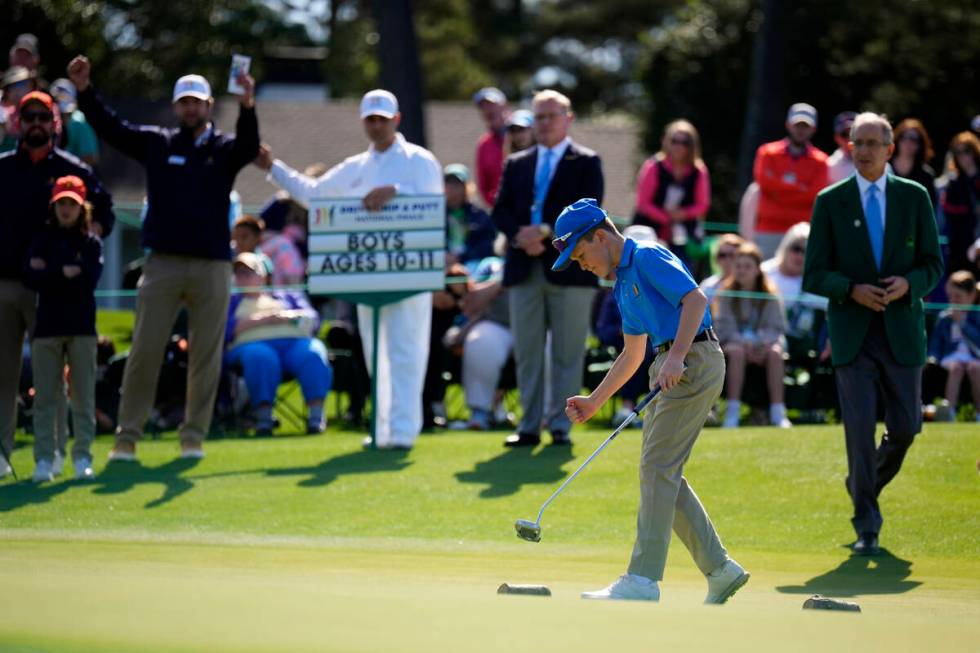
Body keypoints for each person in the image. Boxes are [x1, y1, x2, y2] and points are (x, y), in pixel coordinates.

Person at [555, 198, 748, 603]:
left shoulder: (646, 255)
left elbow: (695, 300)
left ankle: (643, 580)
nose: (581, 263)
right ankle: (721, 570)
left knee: (657, 466)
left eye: (580, 253)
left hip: (692, 358)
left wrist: (676, 355)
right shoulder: (622, 285)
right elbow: (631, 354)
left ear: (601, 237)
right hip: (669, 364)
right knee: (663, 471)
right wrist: (594, 400)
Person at [68, 54, 260, 461]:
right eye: (184, 101)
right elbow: (112, 129)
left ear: (209, 106)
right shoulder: (158, 144)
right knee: (144, 351)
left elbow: (248, 146)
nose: (191, 107)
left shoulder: (224, 149)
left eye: (198, 101)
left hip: (212, 264)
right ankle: (127, 438)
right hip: (163, 264)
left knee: (205, 356)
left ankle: (192, 438)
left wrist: (246, 104)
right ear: (177, 107)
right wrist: (85, 92)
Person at [255, 89, 443, 450]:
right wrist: (273, 169)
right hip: (368, 274)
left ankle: (403, 432)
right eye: (370, 119)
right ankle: (382, 428)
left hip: (409, 273)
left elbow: (433, 205)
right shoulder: (356, 166)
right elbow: (313, 194)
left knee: (406, 350)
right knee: (375, 354)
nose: (376, 126)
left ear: (396, 120)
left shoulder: (420, 161)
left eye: (382, 119)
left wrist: (397, 191)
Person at [803, 112, 944, 555]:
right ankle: (867, 521)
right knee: (860, 430)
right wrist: (851, 290)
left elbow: (933, 265)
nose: (862, 150)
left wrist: (909, 284)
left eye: (871, 142)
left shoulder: (915, 196)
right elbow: (814, 274)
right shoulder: (831, 200)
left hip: (902, 329)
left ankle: (861, 483)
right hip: (853, 333)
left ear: (889, 148)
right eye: (856, 142)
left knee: (906, 428)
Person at [0, 91, 114, 480]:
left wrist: (80, 252)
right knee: (4, 374)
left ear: (55, 123)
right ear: (18, 122)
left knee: (54, 385)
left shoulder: (72, 169)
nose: (35, 124)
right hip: (5, 284)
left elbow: (106, 212)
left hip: (53, 298)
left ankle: (59, 455)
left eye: (43, 117)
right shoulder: (3, 168)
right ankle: (3, 452)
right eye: (28, 117)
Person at [491, 89, 604, 447]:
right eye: (538, 117)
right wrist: (520, 235)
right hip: (524, 268)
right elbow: (501, 210)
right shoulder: (517, 163)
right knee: (527, 351)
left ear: (568, 119)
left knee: (568, 351)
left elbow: (589, 211)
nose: (543, 123)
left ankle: (561, 424)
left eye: (550, 116)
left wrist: (544, 231)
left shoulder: (586, 161)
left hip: (570, 269)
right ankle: (528, 425)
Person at [24, 176, 102, 482]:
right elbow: (31, 276)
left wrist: (52, 272)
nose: (66, 209)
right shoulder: (42, 239)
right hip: (47, 328)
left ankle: (82, 456)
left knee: (83, 396)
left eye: (72, 204)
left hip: (82, 328)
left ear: (82, 207)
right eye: (62, 204)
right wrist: (64, 272)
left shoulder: (91, 243)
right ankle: (46, 457)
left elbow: (88, 279)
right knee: (46, 397)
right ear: (54, 207)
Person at [225, 253, 332, 435]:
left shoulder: (287, 296)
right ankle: (264, 419)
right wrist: (263, 320)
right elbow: (225, 331)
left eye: (249, 272)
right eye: (239, 274)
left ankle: (316, 417)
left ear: (263, 276)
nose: (243, 278)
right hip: (251, 346)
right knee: (260, 356)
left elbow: (313, 320)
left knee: (313, 353)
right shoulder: (231, 301)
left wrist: (288, 317)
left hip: (294, 345)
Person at [713, 242, 790, 428]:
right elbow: (724, 327)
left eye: (747, 266)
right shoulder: (725, 293)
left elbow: (776, 327)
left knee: (775, 353)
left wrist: (760, 343)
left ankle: (778, 412)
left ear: (757, 269)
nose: (741, 271)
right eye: (738, 266)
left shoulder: (770, 294)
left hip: (764, 346)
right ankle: (732, 412)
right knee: (737, 353)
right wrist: (745, 343)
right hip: (733, 345)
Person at [750, 103, 829, 258]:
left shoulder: (821, 161)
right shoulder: (767, 153)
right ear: (788, 125)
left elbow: (813, 194)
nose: (800, 130)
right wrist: (800, 188)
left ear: (813, 129)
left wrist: (778, 189)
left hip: (802, 233)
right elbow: (764, 183)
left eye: (805, 126)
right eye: (797, 125)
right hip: (768, 230)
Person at [633, 119, 711, 262]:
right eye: (675, 141)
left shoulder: (698, 171)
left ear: (692, 146)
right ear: (667, 141)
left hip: (684, 236)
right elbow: (643, 203)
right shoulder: (653, 166)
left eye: (685, 142)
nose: (679, 146)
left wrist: (683, 214)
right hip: (649, 230)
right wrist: (666, 218)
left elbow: (702, 205)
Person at [928, 271, 980, 422]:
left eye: (957, 297)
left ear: (971, 296)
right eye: (950, 297)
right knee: (956, 368)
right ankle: (949, 412)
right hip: (951, 358)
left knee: (975, 369)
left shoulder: (976, 316)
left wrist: (962, 323)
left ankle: (979, 414)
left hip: (974, 357)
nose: (953, 301)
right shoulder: (945, 318)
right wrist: (932, 358)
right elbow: (936, 344)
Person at [940, 131, 980, 275]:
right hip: (960, 249)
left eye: (967, 151)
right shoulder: (953, 184)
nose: (963, 156)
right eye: (958, 152)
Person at [443, 163, 496, 266]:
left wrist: (461, 257)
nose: (452, 188)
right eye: (448, 183)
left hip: (472, 266)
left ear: (466, 187)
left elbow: (486, 246)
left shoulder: (480, 216)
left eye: (457, 184)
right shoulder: (434, 215)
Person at [49, 78, 99, 166]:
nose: (62, 117)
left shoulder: (78, 122)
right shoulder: (48, 123)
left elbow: (90, 157)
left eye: (66, 114)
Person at [473, 87, 509, 207]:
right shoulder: (484, 144)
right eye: (483, 106)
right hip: (502, 212)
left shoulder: (524, 132)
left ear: (504, 106)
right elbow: (483, 186)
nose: (488, 110)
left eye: (492, 104)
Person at [890, 119, 937, 207]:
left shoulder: (926, 176)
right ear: (897, 139)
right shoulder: (882, 168)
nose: (908, 142)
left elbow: (929, 208)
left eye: (913, 139)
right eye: (903, 137)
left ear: (920, 144)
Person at [700, 233, 744, 302]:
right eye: (722, 255)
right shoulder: (708, 285)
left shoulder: (750, 286)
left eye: (732, 255)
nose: (727, 259)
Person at [826, 111, 857, 184]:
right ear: (836, 138)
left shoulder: (879, 164)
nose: (849, 138)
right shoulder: (829, 166)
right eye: (844, 134)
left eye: (853, 133)